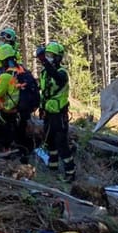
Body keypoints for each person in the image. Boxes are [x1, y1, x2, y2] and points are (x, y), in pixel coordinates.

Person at [37, 41, 75, 180]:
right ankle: (52, 167)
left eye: (51, 56)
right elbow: (44, 92)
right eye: (47, 55)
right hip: (48, 112)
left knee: (61, 143)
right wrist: (41, 108)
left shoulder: (62, 73)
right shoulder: (44, 73)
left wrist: (44, 61)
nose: (48, 58)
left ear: (58, 58)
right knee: (50, 141)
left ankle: (70, 172)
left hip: (59, 114)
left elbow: (57, 79)